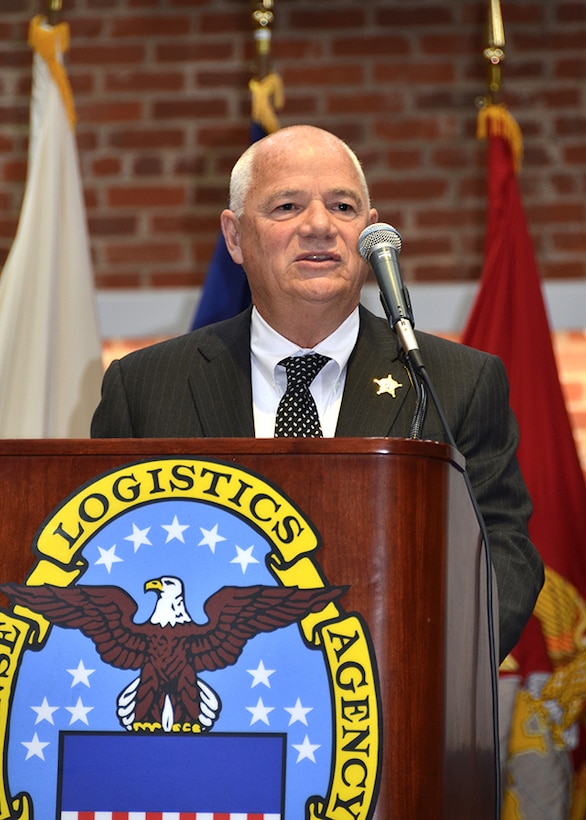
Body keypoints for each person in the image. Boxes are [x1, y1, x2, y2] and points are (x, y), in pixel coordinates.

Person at [91, 124, 544, 661]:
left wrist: (422, 673)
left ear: (371, 232)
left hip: (389, 707)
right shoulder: (145, 387)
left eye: (344, 208)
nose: (319, 227)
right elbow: (110, 560)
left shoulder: (455, 384)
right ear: (234, 237)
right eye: (286, 207)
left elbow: (504, 558)